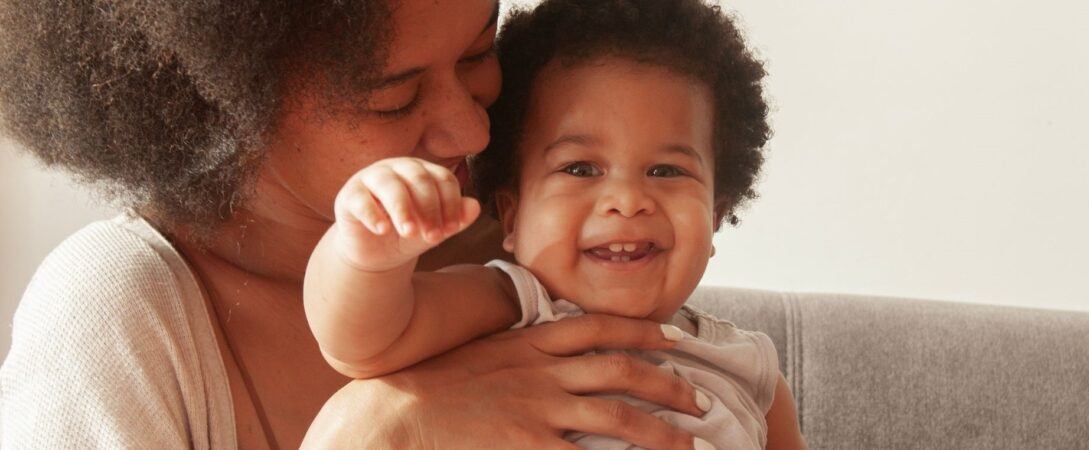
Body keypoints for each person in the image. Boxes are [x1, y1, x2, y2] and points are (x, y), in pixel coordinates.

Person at [0, 0, 716, 448]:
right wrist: (376, 433)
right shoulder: (116, 308)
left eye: (476, 50)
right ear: (230, 96)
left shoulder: (523, 241)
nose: (472, 128)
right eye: (394, 100)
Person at [303, 1, 807, 449]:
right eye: (580, 169)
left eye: (666, 171)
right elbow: (364, 343)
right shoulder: (513, 305)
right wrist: (363, 250)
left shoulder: (750, 369)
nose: (628, 201)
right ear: (515, 215)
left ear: (715, 217)